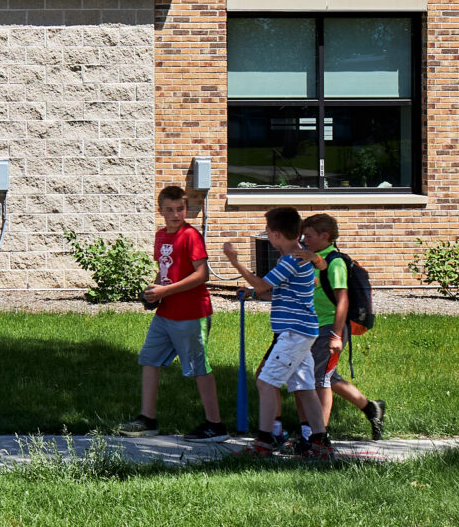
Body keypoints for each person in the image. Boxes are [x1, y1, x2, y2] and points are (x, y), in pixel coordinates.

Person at [221, 207, 333, 461]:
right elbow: (277, 293)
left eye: (268, 233)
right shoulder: (298, 256)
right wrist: (251, 294)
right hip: (303, 331)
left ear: (276, 234)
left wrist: (235, 261)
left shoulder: (291, 259)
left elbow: (262, 284)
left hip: (294, 333)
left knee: (266, 381)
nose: (267, 237)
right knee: (304, 386)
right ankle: (320, 441)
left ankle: (265, 439)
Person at [119, 183, 223, 438]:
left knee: (199, 367)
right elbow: (165, 271)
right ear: (161, 211)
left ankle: (215, 425)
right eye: (170, 210)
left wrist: (165, 291)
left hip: (192, 313)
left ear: (186, 209)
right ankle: (148, 419)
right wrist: (154, 291)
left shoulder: (191, 236)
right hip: (165, 313)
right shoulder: (161, 235)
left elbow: (202, 275)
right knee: (149, 359)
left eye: (180, 209)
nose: (176, 214)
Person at [302, 213, 387, 439]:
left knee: (320, 379)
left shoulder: (335, 262)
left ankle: (318, 436)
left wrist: (336, 335)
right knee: (328, 376)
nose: (304, 239)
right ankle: (372, 408)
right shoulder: (313, 258)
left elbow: (342, 300)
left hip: (329, 326)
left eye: (308, 235)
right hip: (313, 326)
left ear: (325, 236)